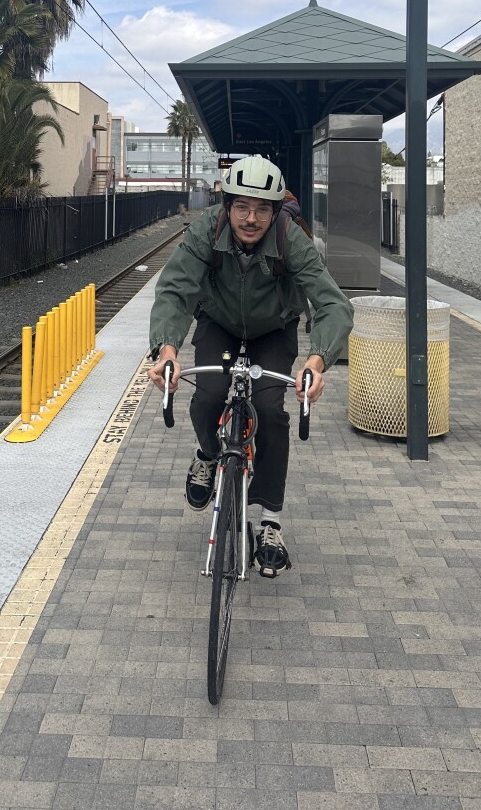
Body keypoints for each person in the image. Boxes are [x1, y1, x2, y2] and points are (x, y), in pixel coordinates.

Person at [148, 154, 354, 577]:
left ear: (276, 210)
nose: (251, 218)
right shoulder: (207, 229)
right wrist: (166, 348)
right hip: (219, 323)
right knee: (206, 395)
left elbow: (333, 303)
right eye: (241, 206)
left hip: (273, 330)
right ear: (227, 206)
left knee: (271, 409)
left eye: (262, 209)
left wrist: (317, 360)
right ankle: (208, 453)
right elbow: (175, 290)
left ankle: (269, 521)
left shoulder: (291, 239)